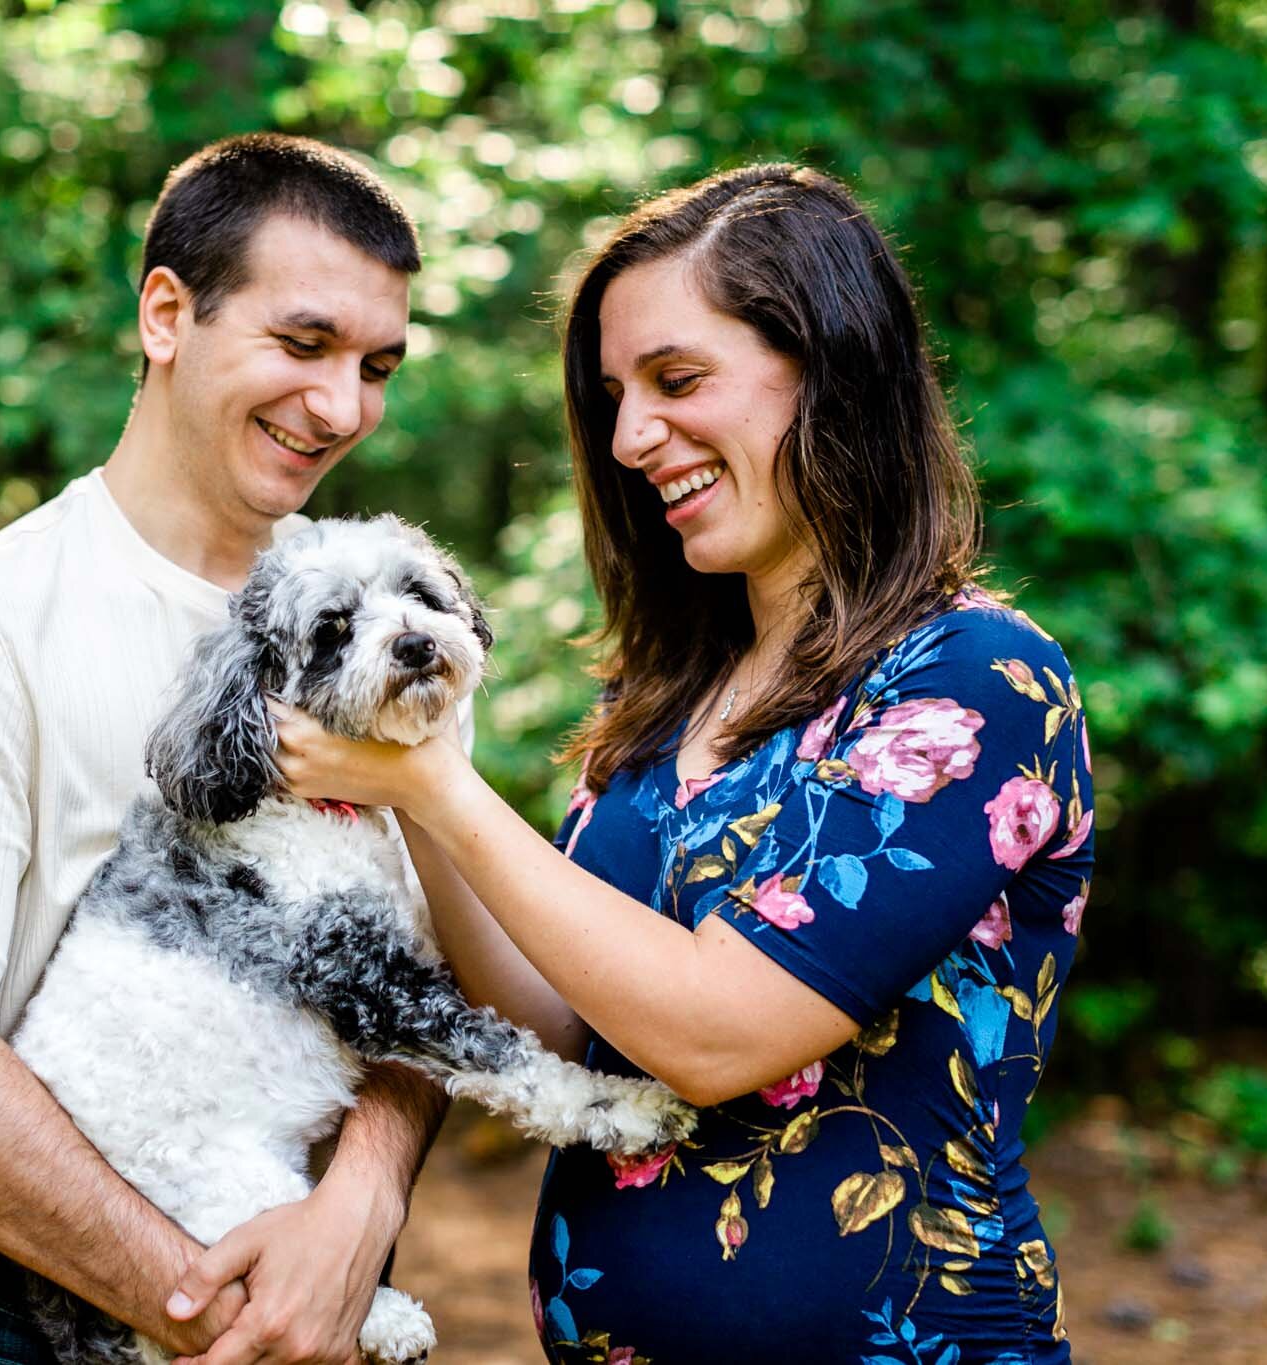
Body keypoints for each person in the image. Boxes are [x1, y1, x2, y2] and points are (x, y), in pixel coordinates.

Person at [253, 165, 1094, 1362]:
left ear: (832, 366)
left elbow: (714, 1033)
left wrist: (440, 790)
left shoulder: (972, 683)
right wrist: (406, 791)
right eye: (612, 395)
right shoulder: (665, 704)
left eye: (676, 379)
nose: (630, 436)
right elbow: (563, 1018)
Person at [0, 133, 456, 1365]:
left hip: (329, 1294)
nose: (343, 407)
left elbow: (418, 968)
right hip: (40, 1314)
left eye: (377, 365)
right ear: (167, 313)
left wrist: (361, 1200)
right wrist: (212, 1314)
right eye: (303, 344)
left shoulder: (369, 615)